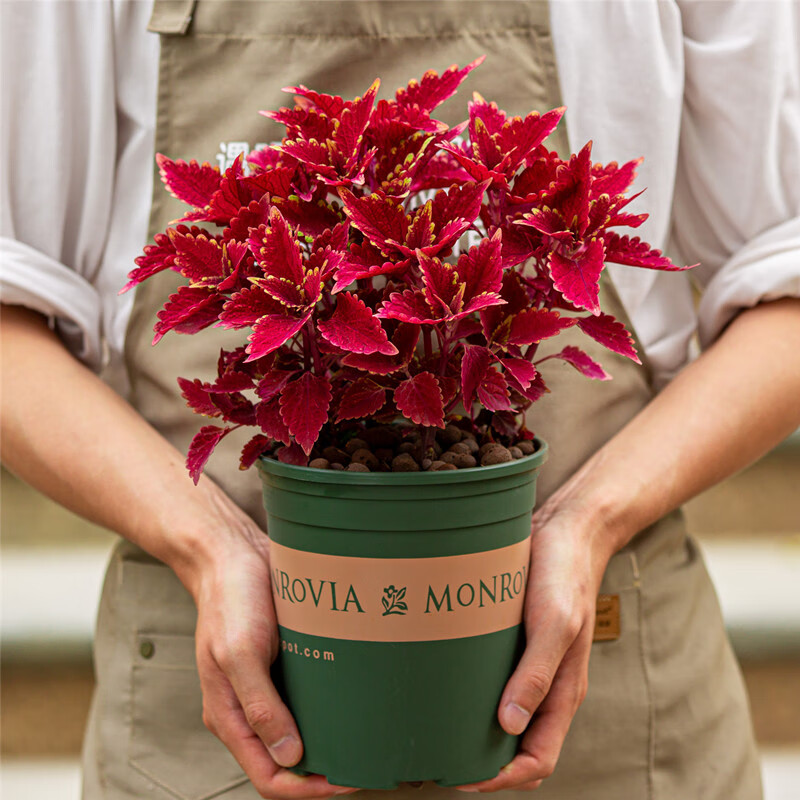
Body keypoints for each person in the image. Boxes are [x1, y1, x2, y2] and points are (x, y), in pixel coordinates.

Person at [2, 1, 799, 799]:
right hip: (214, 697)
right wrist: (206, 547)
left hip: (612, 694)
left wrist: (587, 521)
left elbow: (785, 290)